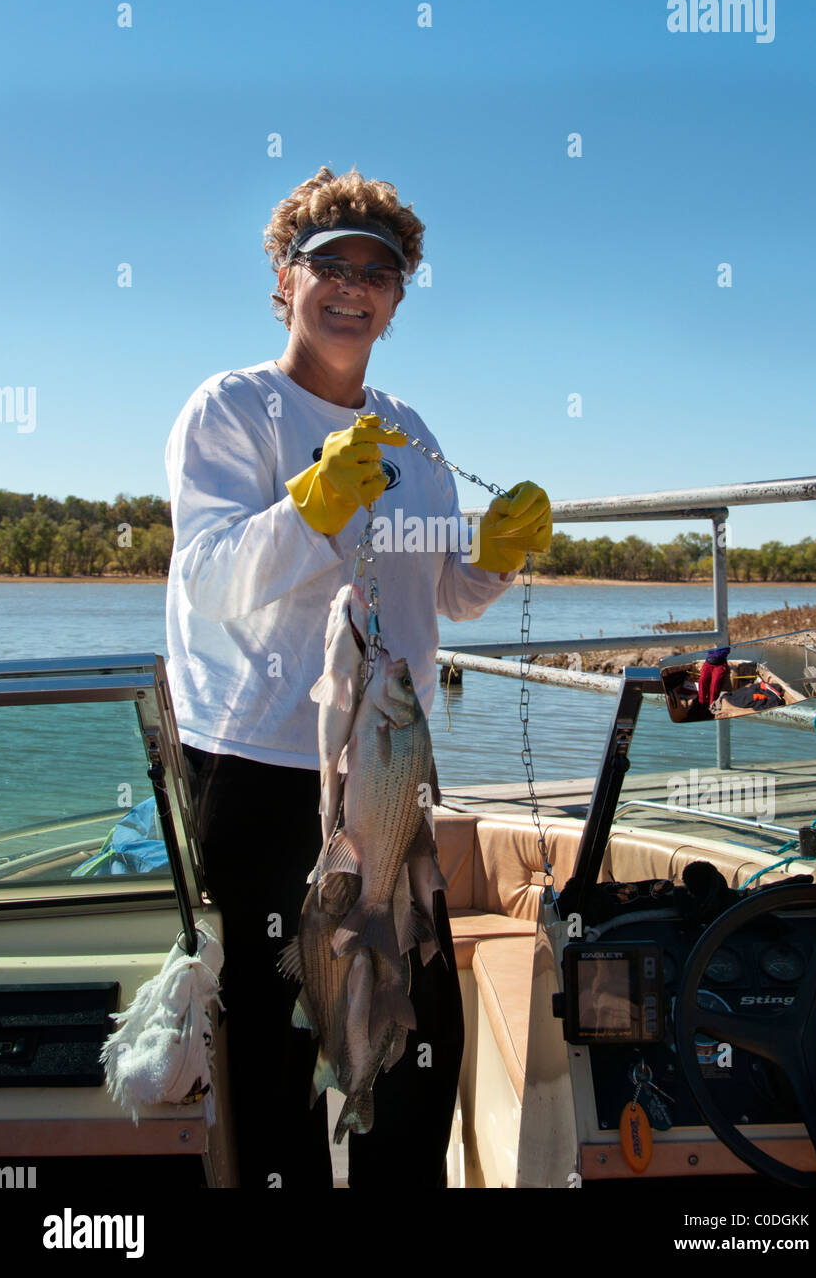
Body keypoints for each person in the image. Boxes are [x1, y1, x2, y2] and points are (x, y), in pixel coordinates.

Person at [164, 165, 552, 1189]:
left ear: (396, 295)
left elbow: (441, 594)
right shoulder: (229, 409)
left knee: (418, 1015)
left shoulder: (412, 431)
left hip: (390, 770)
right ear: (282, 281)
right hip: (260, 769)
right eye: (326, 262)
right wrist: (315, 504)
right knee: (281, 1014)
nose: (351, 284)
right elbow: (208, 583)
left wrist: (497, 554)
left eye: (376, 270)